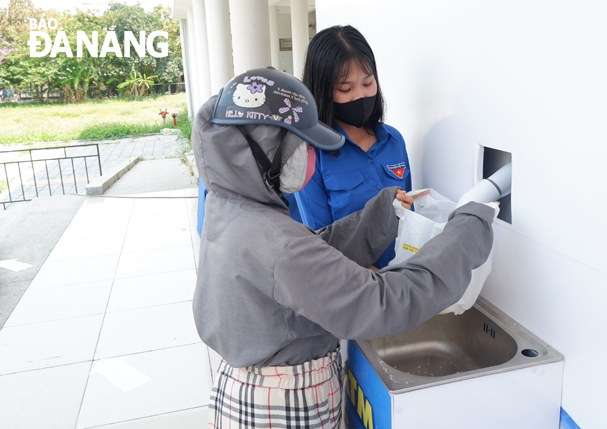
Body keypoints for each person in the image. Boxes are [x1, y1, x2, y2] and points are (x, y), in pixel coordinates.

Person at [192, 67, 497, 428]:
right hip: (283, 407)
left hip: (249, 389)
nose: (310, 157)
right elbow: (383, 303)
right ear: (268, 151)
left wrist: (385, 213)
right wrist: (469, 227)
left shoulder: (231, 206)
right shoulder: (275, 240)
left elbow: (311, 256)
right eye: (303, 146)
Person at [294, 25, 421, 269]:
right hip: (350, 286)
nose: (360, 95)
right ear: (322, 90)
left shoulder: (394, 140)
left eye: (368, 82)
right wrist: (360, 274)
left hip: (402, 279)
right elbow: (318, 239)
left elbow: (409, 216)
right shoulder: (310, 153)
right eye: (345, 88)